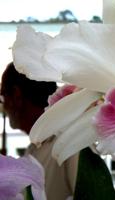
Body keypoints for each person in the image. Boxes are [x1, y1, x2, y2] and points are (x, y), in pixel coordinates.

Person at [0, 62, 78, 200]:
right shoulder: (34, 148)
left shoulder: (72, 144)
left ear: (17, 96)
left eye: (3, 96)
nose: (4, 105)